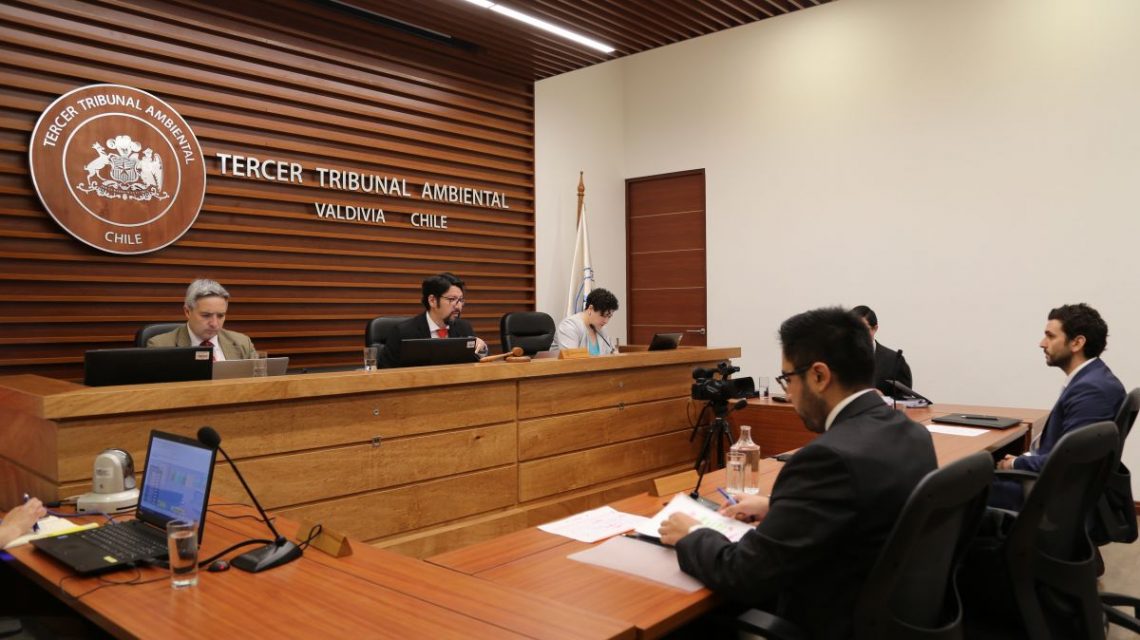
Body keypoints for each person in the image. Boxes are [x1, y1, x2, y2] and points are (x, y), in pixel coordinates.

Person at [658, 307, 937, 640]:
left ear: (819, 376)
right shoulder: (911, 432)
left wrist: (692, 533)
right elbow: (865, 506)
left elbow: (744, 574)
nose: (788, 394)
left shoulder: (827, 458)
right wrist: (779, 507)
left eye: (788, 379)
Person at [989, 303, 1125, 510]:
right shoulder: (1093, 378)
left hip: (1050, 495)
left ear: (1077, 343)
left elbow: (1071, 461)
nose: (1042, 343)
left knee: (961, 488)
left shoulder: (1092, 390)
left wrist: (1016, 463)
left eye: (1050, 336)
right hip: (1055, 485)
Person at [380, 272, 487, 368]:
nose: (459, 306)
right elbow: (384, 372)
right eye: (452, 299)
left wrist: (482, 349)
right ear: (432, 301)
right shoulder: (403, 332)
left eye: (461, 300)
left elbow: (479, 363)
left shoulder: (464, 328)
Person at [147, 279, 256, 361]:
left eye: (220, 316)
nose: (214, 324)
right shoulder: (160, 346)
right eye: (206, 315)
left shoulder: (242, 343)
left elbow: (259, 381)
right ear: (187, 312)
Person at [852, 304, 913, 396]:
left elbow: (906, 399)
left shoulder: (895, 361)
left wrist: (882, 398)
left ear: (874, 329)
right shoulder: (837, 358)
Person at [555, 288, 618, 354]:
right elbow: (572, 358)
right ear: (590, 309)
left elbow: (611, 354)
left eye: (609, 317)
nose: (606, 321)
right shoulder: (569, 326)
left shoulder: (602, 329)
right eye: (603, 315)